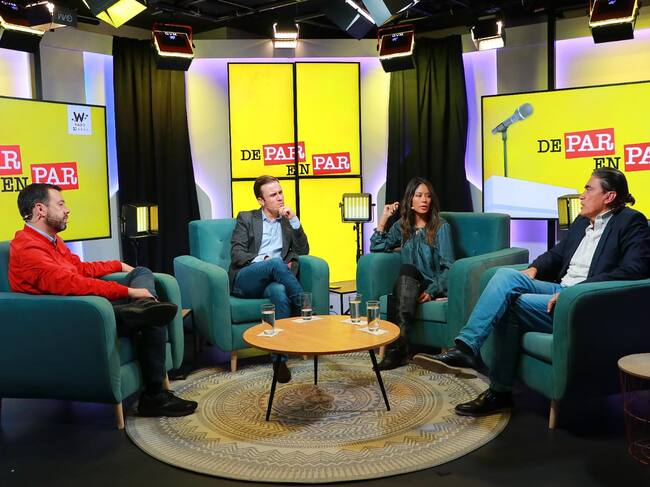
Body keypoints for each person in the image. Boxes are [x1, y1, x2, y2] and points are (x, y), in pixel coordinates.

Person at [416, 167, 650, 417]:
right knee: (505, 276)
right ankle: (466, 347)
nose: (581, 195)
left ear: (609, 197)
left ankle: (498, 391)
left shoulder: (631, 222)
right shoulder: (582, 222)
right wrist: (534, 269)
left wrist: (577, 292)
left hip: (583, 302)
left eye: (588, 189)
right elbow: (556, 254)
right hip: (560, 288)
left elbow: (635, 269)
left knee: (510, 307)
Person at [9, 183, 198, 418]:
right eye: (61, 204)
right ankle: (154, 396)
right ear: (40, 209)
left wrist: (117, 264)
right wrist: (128, 292)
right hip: (72, 315)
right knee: (152, 316)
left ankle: (142, 310)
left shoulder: (52, 241)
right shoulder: (28, 248)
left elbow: (79, 269)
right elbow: (71, 283)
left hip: (86, 305)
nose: (67, 209)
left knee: (141, 273)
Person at [229, 175, 310, 383]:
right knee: (274, 263)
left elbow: (304, 251)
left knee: (280, 293)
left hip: (273, 280)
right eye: (273, 195)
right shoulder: (247, 218)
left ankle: (279, 360)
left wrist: (294, 220)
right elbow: (237, 254)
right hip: (247, 277)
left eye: (280, 192)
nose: (280, 198)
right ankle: (305, 306)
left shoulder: (287, 222)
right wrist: (264, 261)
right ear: (261, 200)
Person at [370, 177, 455, 370]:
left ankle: (396, 351)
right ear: (410, 200)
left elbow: (449, 267)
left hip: (431, 285)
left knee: (403, 277)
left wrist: (432, 291)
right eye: (419, 195)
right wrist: (384, 218)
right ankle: (398, 350)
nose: (424, 200)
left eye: (428, 196)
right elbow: (377, 247)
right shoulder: (402, 226)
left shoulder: (441, 227)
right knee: (406, 272)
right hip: (409, 283)